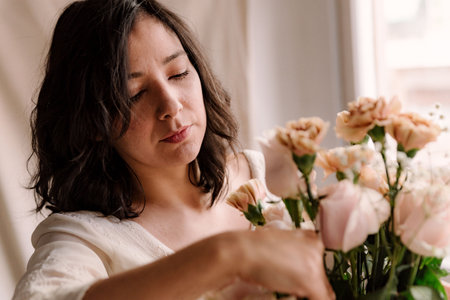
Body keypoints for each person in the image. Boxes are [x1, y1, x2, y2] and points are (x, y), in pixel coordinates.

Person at [13, 0, 335, 299]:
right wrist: (227, 255)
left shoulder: (266, 177)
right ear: (94, 124)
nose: (170, 104)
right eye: (134, 94)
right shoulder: (85, 238)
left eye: (178, 72)